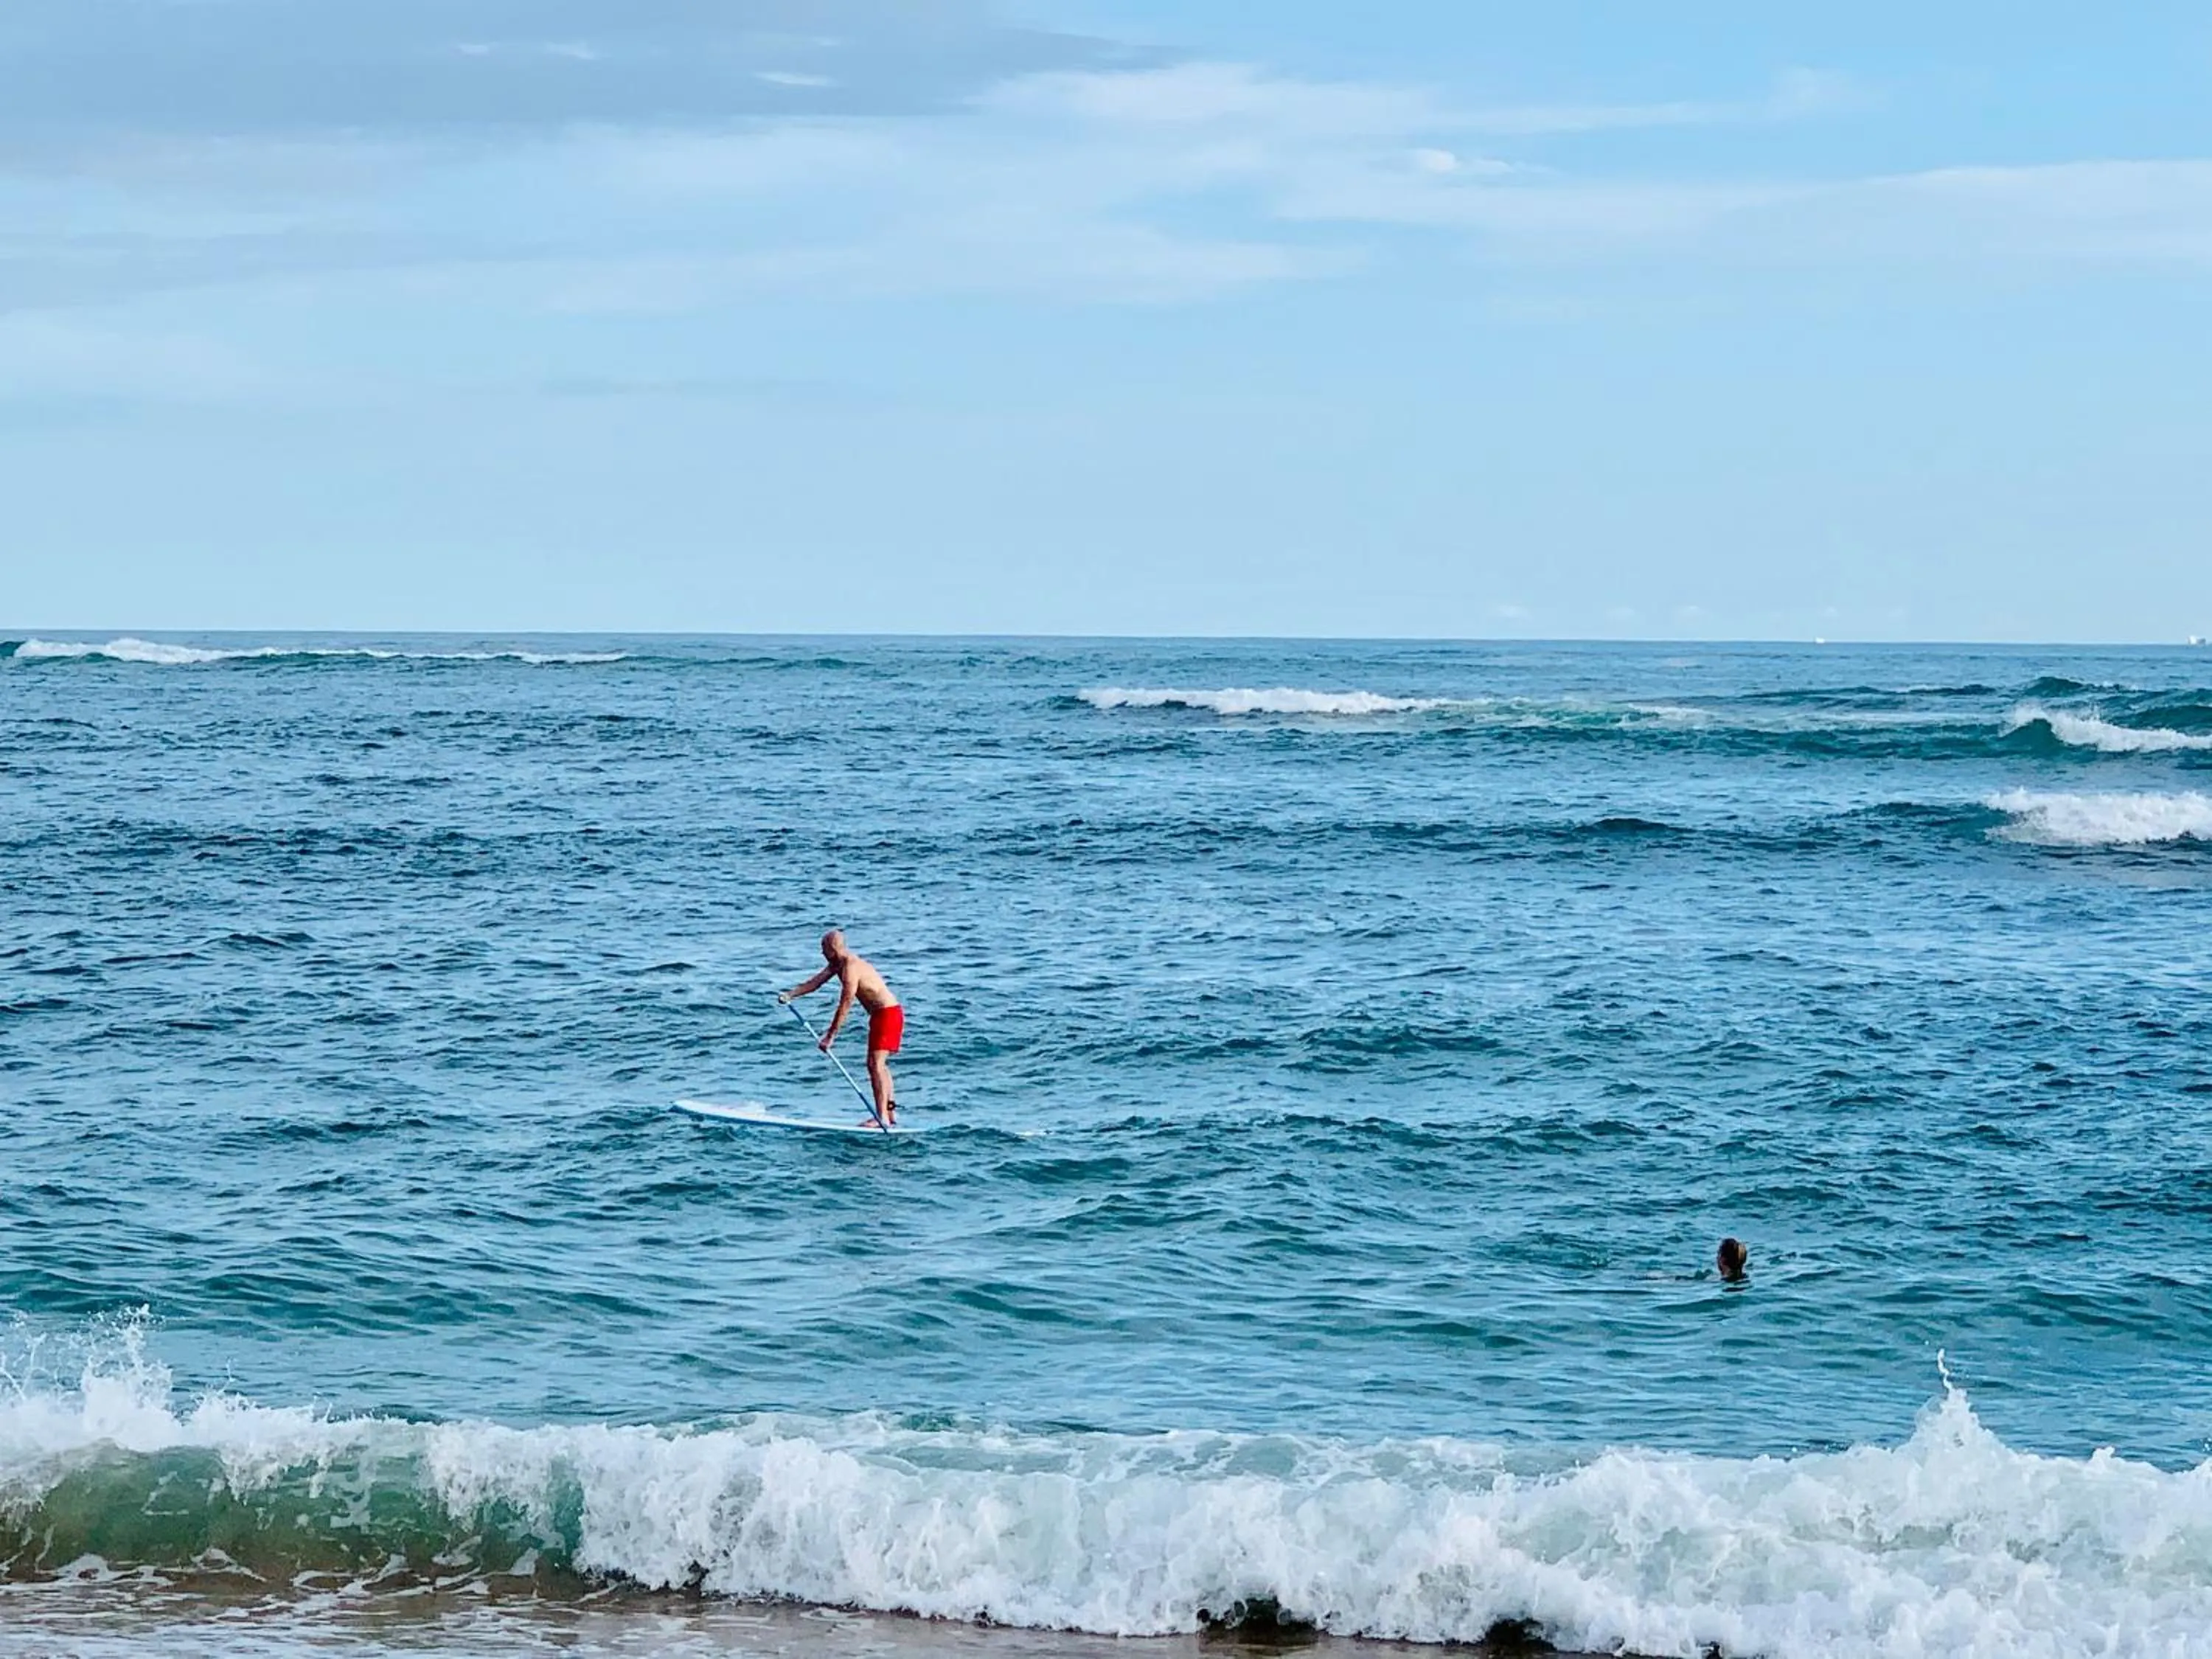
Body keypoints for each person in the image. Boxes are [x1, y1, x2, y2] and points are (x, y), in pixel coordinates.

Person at [780, 931, 904, 1126]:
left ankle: (882, 1117)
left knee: (875, 1064)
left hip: (887, 1015)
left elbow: (846, 1003)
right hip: (884, 1014)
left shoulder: (851, 967)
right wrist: (791, 994)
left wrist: (830, 1036)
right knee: (879, 1064)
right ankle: (890, 1113)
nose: (822, 953)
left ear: (833, 948)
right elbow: (815, 983)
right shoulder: (837, 964)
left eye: (823, 949)